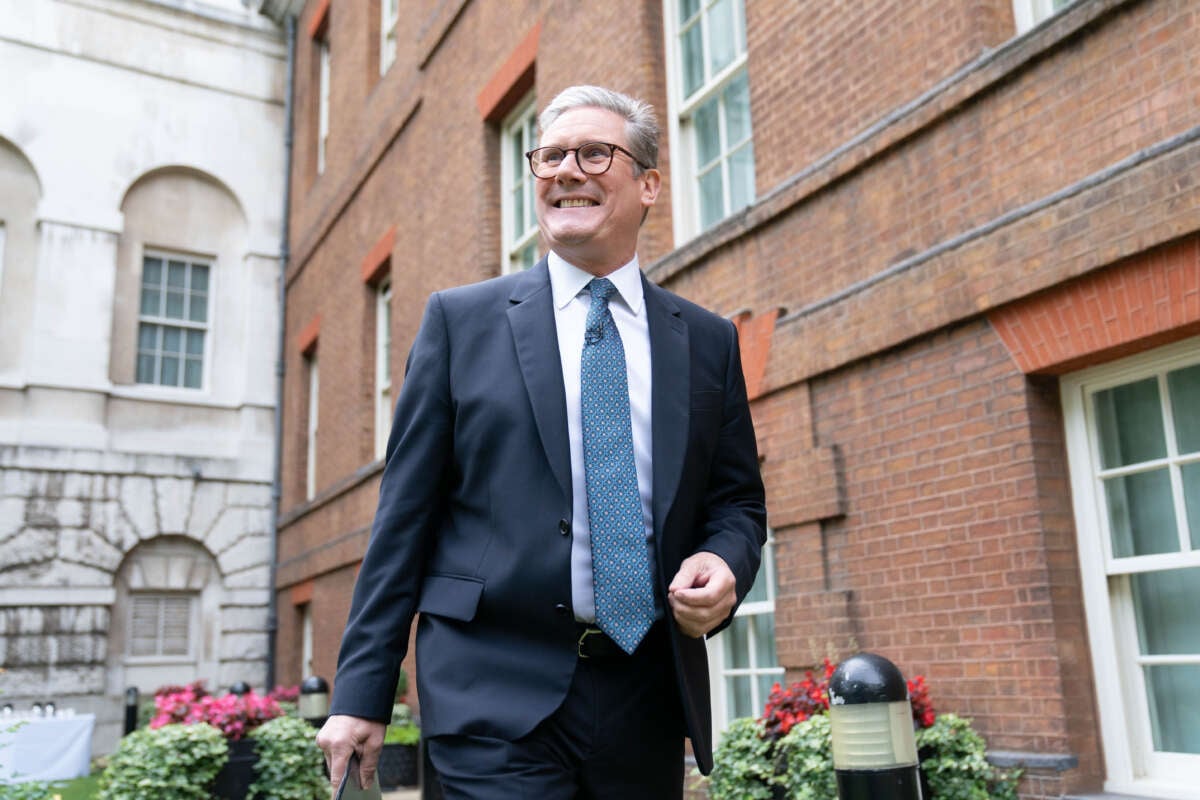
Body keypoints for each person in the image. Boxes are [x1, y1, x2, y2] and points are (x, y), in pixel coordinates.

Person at [316, 84, 766, 800]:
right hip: (490, 692)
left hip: (645, 692)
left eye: (594, 153)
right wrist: (361, 691)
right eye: (550, 156)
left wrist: (724, 558)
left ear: (649, 184)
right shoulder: (459, 324)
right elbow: (404, 519)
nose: (566, 170)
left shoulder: (707, 342)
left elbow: (737, 500)